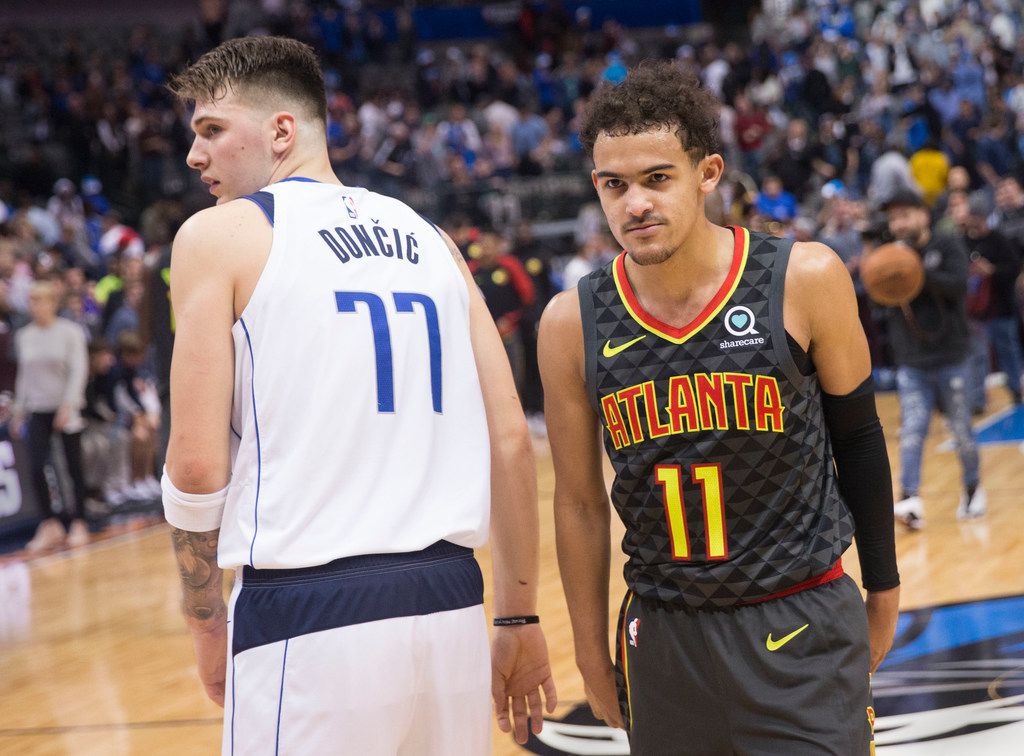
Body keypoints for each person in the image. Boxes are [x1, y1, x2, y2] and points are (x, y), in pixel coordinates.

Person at [162, 36, 554, 754]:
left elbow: (195, 468)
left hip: (306, 615)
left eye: (212, 130)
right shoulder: (434, 239)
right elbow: (508, 443)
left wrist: (205, 617)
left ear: (281, 130)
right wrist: (519, 617)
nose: (195, 156)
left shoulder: (217, 237)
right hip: (450, 604)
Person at [538, 62, 900, 754]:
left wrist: (881, 583)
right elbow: (579, 502)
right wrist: (588, 647)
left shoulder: (804, 278)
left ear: (707, 173)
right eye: (614, 185)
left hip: (800, 620)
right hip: (664, 634)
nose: (634, 203)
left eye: (656, 178)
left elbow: (858, 437)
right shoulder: (570, 323)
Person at [881, 190, 986, 528]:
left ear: (923, 215)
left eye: (904, 215)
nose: (898, 223)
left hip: (952, 355)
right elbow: (877, 301)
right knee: (912, 430)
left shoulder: (947, 244)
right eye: (893, 218)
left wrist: (915, 271)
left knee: (961, 430)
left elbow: (958, 287)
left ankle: (972, 488)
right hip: (912, 360)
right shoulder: (887, 255)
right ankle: (909, 499)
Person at [13, 280, 90, 551]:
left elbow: (78, 369)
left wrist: (69, 404)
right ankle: (50, 524)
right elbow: (24, 375)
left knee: (72, 467)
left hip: (64, 408)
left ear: (52, 303)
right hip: (37, 408)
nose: (35, 305)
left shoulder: (70, 332)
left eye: (40, 300)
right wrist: (18, 410)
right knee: (36, 467)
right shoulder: (24, 336)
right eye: (31, 300)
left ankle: (79, 520)